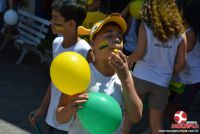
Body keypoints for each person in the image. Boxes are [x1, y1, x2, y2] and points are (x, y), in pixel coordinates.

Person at [56, 13, 143, 134]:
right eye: (109, 35)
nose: (116, 39)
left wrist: (126, 79)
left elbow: (136, 116)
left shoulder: (125, 75)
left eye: (119, 37)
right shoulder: (80, 73)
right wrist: (70, 109)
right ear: (93, 45)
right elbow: (60, 117)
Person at [29, 0, 93, 133]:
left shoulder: (85, 51)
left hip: (70, 121)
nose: (51, 22)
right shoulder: (56, 43)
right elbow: (54, 81)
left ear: (71, 24)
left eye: (55, 18)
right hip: (53, 116)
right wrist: (42, 108)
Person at [127, 0, 187, 133]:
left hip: (141, 77)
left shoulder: (146, 26)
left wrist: (128, 59)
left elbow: (139, 53)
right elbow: (182, 63)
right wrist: (170, 74)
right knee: (156, 124)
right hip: (162, 82)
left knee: (129, 118)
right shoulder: (180, 32)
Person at [167, 0, 200, 121]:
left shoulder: (190, 32)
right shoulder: (186, 29)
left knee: (179, 113)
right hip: (180, 76)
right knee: (172, 108)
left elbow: (186, 48)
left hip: (191, 80)